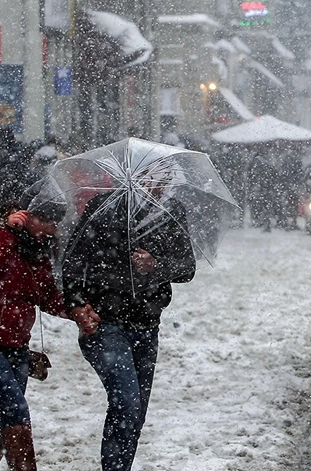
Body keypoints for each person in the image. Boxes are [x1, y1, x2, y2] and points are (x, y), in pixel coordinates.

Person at [0, 191, 98, 471]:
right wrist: (9, 234)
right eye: (45, 219)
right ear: (26, 214)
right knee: (15, 411)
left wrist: (75, 311)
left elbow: (45, 294)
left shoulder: (38, 249)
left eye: (55, 222)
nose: (50, 228)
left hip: (15, 346)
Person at [63, 170, 196, 471]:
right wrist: (76, 305)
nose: (161, 186)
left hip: (147, 324)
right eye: (155, 178)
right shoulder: (103, 207)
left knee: (137, 412)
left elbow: (187, 267)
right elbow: (72, 260)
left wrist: (156, 265)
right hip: (106, 323)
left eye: (167, 178)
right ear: (136, 177)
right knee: (126, 403)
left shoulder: (171, 213)